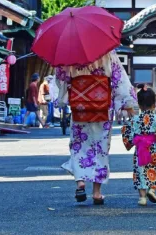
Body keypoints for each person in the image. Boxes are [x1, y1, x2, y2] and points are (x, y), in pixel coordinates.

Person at [55, 48, 136, 205]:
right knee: (100, 146)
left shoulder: (69, 52)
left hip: (80, 105)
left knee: (79, 144)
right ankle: (97, 193)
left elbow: (61, 77)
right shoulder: (106, 51)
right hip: (102, 105)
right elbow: (119, 79)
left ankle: (80, 182)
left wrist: (64, 97)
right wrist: (128, 103)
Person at [121, 88, 156, 206]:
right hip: (154, 150)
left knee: (140, 171)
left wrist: (130, 143)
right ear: (154, 104)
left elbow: (127, 132)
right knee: (154, 170)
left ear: (139, 105)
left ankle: (142, 197)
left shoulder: (134, 120)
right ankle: (152, 190)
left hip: (140, 150)